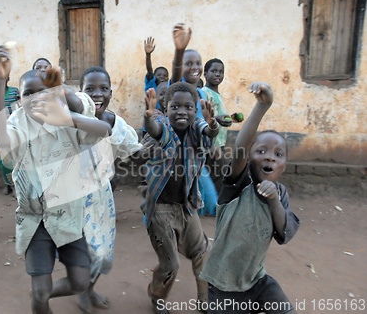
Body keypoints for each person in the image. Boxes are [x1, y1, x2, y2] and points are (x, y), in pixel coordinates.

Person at [0, 46, 112, 314]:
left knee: (80, 282)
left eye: (42, 92)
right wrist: (0, 82)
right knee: (41, 290)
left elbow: (104, 129)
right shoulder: (17, 122)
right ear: (19, 98)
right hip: (34, 220)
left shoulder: (63, 115)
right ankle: (40, 296)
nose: (35, 99)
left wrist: (67, 116)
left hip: (68, 215)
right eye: (27, 94)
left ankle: (40, 294)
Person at [200, 83, 300, 313]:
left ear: (284, 166)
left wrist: (273, 198)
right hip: (223, 283)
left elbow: (284, 233)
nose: (270, 158)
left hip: (256, 279)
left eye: (278, 154)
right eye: (261, 151)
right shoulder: (237, 185)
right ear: (249, 158)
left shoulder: (280, 194)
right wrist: (262, 106)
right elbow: (240, 150)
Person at [143, 82, 219, 314]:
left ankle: (205, 301)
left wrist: (213, 124)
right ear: (166, 109)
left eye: (188, 107)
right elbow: (155, 130)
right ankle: (157, 297)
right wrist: (147, 118)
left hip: (187, 207)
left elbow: (209, 132)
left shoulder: (198, 130)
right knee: (170, 265)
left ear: (196, 110)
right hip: (161, 211)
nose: (181, 111)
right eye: (175, 106)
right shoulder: (164, 128)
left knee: (203, 254)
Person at [77, 66, 143, 313]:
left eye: (103, 88)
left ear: (111, 93)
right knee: (80, 250)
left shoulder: (116, 123)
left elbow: (135, 152)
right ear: (80, 93)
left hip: (101, 196)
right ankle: (82, 290)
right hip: (72, 197)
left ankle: (89, 287)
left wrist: (150, 150)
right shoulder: (72, 119)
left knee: (102, 253)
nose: (97, 94)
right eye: (89, 89)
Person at [170, 23, 218, 217]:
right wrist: (179, 51)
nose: (195, 67)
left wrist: (211, 138)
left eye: (198, 63)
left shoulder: (200, 94)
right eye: (188, 63)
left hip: (196, 155)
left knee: (208, 201)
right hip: (177, 155)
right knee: (174, 199)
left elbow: (203, 122)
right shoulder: (178, 89)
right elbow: (175, 75)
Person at [201, 58, 243, 194]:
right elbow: (203, 117)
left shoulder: (217, 95)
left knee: (217, 174)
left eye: (221, 72)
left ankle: (211, 203)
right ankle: (213, 204)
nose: (218, 74)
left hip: (219, 142)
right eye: (214, 71)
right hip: (211, 144)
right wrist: (217, 120)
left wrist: (230, 118)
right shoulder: (204, 93)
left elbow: (218, 116)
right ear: (205, 74)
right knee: (217, 174)